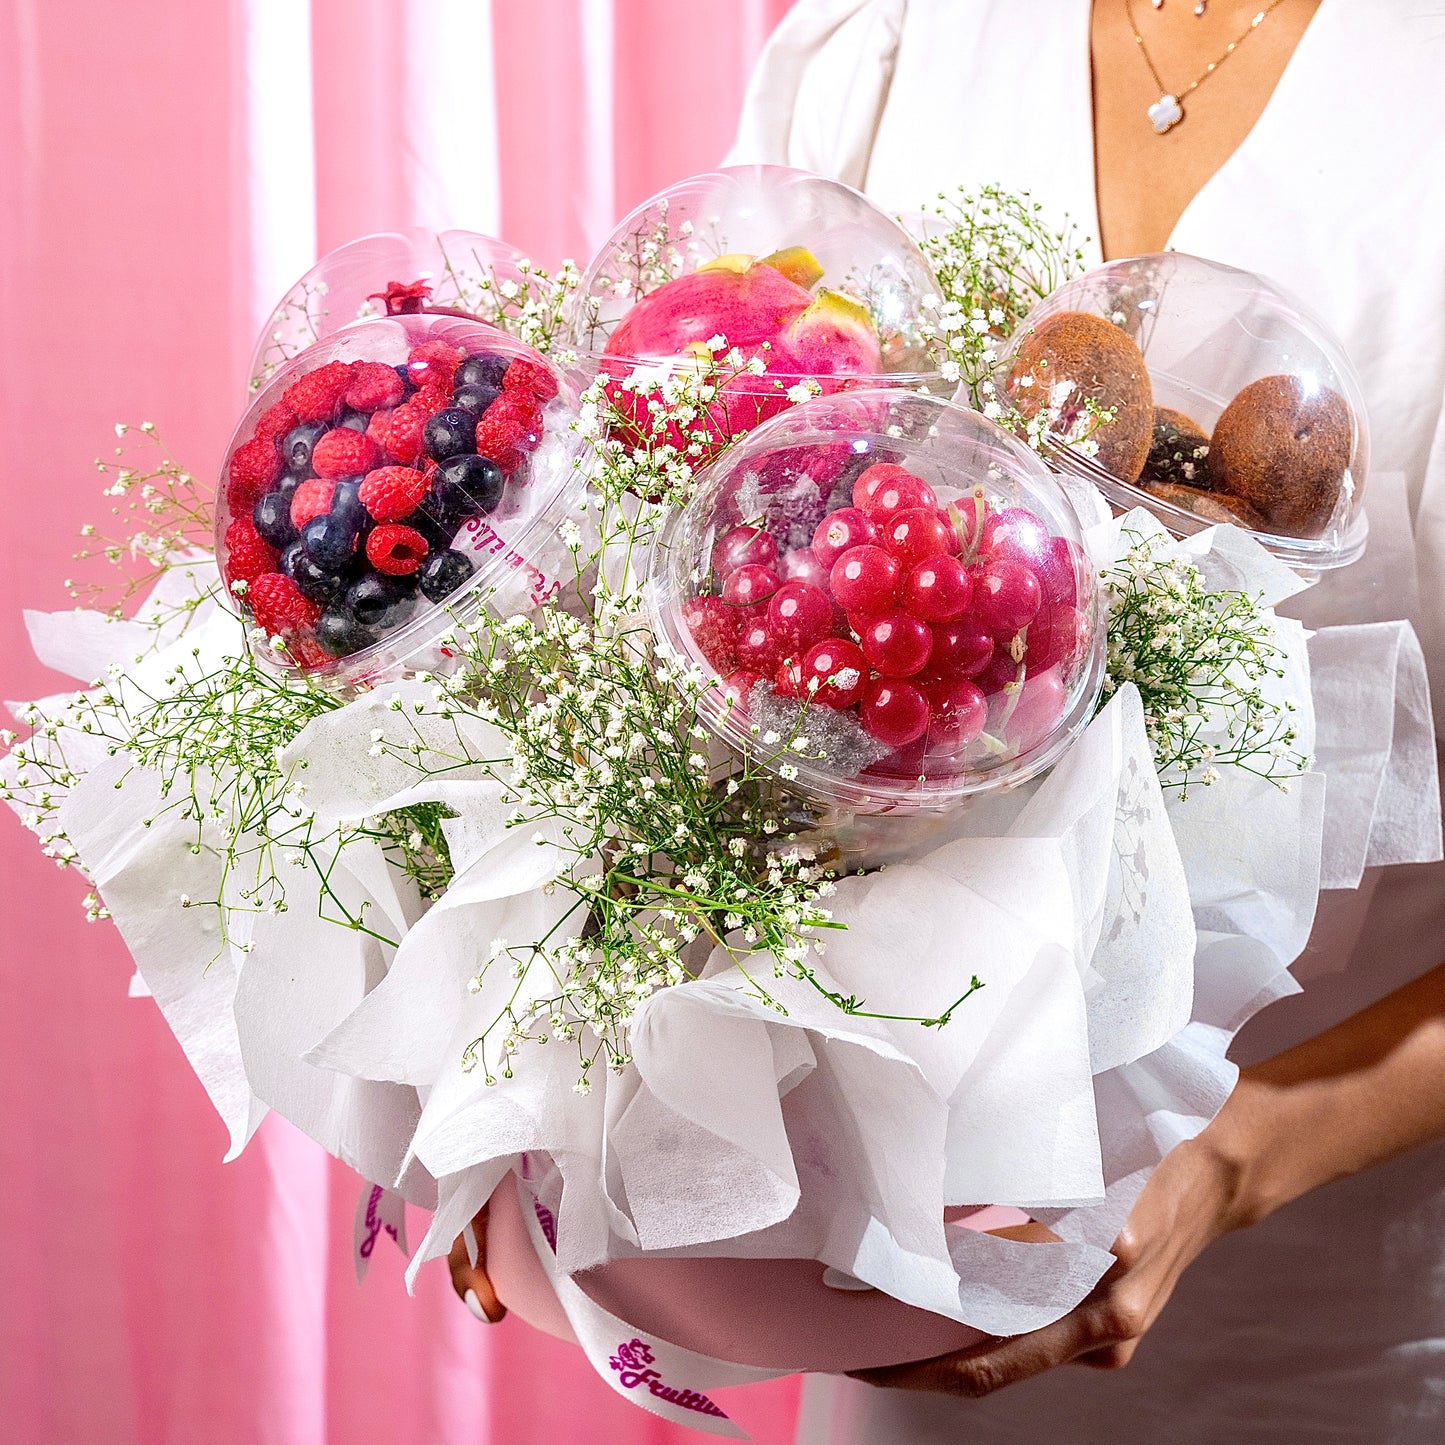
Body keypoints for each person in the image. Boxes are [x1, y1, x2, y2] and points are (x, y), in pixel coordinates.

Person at [452, 4, 1445, 1439]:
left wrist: (1227, 1161)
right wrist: (491, 1083)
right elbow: (668, 562)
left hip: (1319, 1329)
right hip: (907, 1274)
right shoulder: (897, 42)